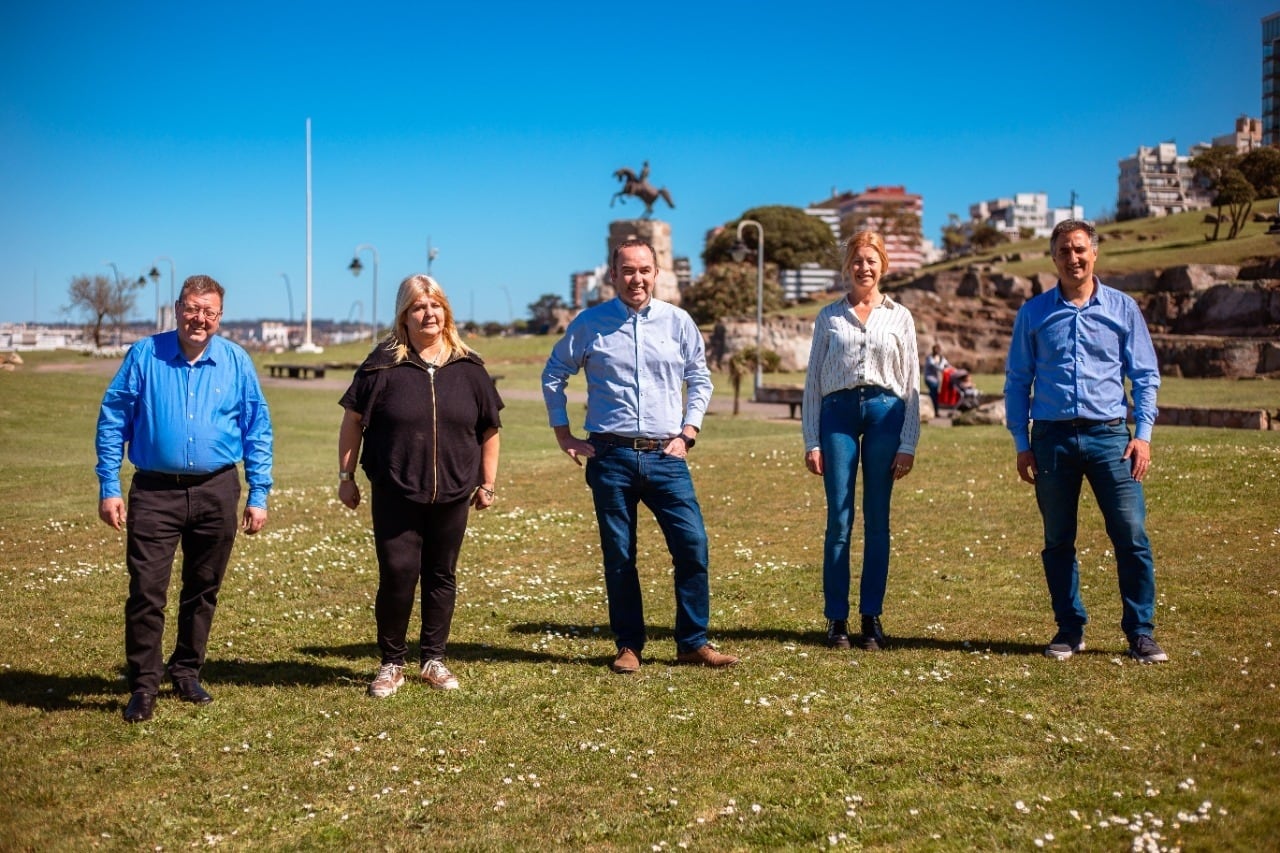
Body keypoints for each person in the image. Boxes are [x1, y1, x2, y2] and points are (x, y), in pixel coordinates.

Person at [542, 239, 738, 674]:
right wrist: (564, 435)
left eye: (645, 270)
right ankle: (629, 645)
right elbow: (554, 373)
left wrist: (688, 432)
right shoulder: (590, 324)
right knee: (620, 555)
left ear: (656, 273)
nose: (637, 279)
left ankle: (692, 642)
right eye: (628, 270)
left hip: (667, 455)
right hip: (609, 456)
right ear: (613, 276)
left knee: (693, 546)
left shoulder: (679, 322)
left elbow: (699, 379)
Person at [96, 275, 273, 723]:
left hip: (217, 489)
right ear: (177, 309)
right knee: (146, 591)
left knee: (202, 589)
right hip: (155, 491)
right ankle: (143, 685)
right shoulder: (144, 355)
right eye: (193, 309)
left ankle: (187, 671)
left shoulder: (236, 361)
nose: (200, 319)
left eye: (209, 312)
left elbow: (258, 429)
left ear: (219, 316)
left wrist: (259, 492)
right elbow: (113, 418)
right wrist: (109, 485)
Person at [1004, 219, 1168, 664]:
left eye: (1079, 249)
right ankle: (1069, 628)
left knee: (1131, 535)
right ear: (1053, 258)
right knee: (1058, 539)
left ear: (1093, 252)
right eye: (1063, 251)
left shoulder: (1122, 308)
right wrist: (1022, 442)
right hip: (1052, 440)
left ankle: (1140, 632)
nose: (1072, 258)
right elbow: (1018, 381)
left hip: (1111, 438)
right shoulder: (1034, 314)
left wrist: (1144, 436)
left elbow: (1145, 376)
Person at [338, 274, 502, 697]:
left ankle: (434, 659)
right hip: (395, 490)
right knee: (397, 574)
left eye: (435, 306)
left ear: (445, 311)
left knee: (441, 575)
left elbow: (489, 429)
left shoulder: (469, 367)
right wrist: (346, 475)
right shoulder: (381, 364)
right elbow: (353, 421)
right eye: (418, 307)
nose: (428, 314)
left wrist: (487, 483)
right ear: (404, 316)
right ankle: (392, 663)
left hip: (453, 492)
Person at [802, 231, 921, 651]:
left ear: (883, 265)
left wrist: (909, 441)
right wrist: (811, 440)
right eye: (857, 260)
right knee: (839, 519)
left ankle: (871, 617)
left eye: (871, 260)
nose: (864, 267)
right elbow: (813, 381)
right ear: (847, 266)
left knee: (877, 520)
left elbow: (911, 382)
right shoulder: (829, 317)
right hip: (838, 414)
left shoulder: (899, 316)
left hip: (887, 414)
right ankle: (836, 620)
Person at [923, 343, 950, 412]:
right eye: (936, 349)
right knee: (934, 394)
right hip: (929, 378)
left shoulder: (940, 358)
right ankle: (934, 410)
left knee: (935, 394)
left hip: (936, 380)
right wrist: (943, 366)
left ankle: (934, 410)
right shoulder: (930, 358)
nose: (937, 351)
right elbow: (937, 367)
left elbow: (948, 365)